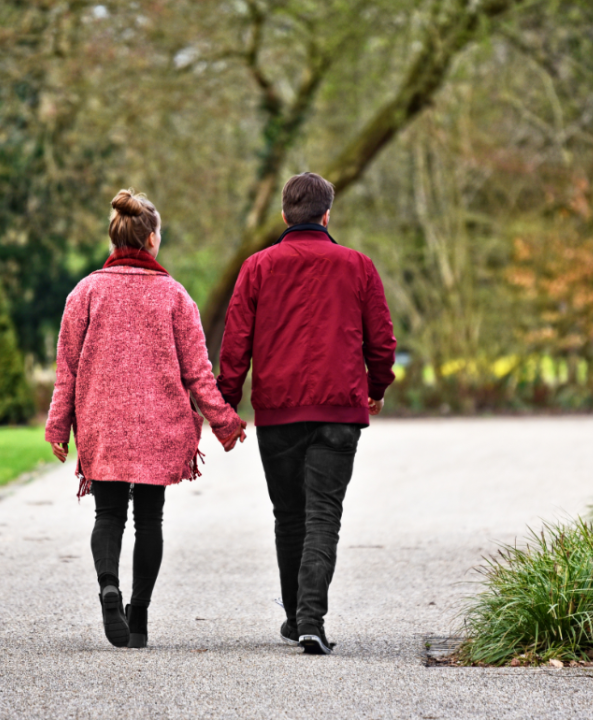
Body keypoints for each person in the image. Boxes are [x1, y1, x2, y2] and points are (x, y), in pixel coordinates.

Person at [45, 189, 245, 649]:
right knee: (149, 520)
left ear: (114, 239)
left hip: (103, 422)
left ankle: (108, 587)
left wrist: (58, 428)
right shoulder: (175, 296)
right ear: (152, 240)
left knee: (109, 513)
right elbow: (197, 373)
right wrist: (225, 423)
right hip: (159, 425)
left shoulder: (86, 293)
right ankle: (139, 619)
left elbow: (67, 371)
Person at [217, 172, 396, 655]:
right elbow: (381, 340)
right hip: (339, 410)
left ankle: (298, 619)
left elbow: (235, 344)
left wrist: (226, 405)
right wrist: (377, 387)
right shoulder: (357, 266)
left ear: (284, 215)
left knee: (289, 516)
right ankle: (310, 618)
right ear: (327, 214)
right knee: (323, 515)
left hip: (278, 412)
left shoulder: (257, 267)